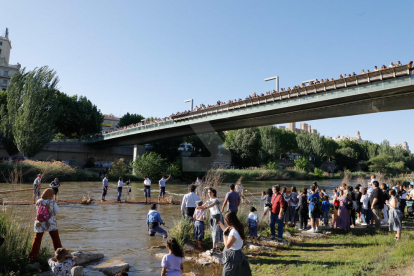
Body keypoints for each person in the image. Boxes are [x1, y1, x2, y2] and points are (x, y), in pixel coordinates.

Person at [29, 188, 63, 260]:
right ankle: (60, 256)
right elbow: (57, 211)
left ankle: (32, 257)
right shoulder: (52, 201)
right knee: (55, 238)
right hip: (50, 222)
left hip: (39, 222)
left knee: (37, 239)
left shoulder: (38, 201)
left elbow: (37, 210)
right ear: (50, 194)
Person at [218, 212, 252, 276]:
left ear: (227, 220)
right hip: (237, 254)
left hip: (232, 256)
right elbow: (227, 232)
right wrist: (221, 225)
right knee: (238, 272)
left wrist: (224, 235)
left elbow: (227, 245)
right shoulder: (236, 227)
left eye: (225, 220)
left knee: (227, 274)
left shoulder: (234, 232)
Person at [197, 188, 223, 253]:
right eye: (208, 192)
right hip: (212, 217)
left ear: (213, 193)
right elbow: (204, 205)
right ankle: (217, 248)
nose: (209, 194)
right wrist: (199, 207)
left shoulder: (216, 199)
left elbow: (212, 204)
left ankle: (214, 248)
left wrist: (205, 208)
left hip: (217, 217)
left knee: (216, 233)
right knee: (213, 232)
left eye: (210, 192)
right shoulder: (209, 200)